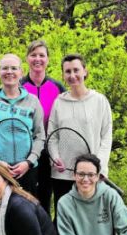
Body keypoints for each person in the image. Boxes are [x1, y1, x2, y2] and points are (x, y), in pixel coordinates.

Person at [48, 53, 112, 213]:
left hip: (89, 175)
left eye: (76, 70)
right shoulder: (58, 102)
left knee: (90, 219)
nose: (72, 75)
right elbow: (52, 136)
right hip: (63, 175)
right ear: (63, 75)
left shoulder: (99, 101)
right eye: (67, 72)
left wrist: (99, 167)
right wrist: (55, 158)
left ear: (85, 71)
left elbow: (106, 137)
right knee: (63, 219)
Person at [0, 54, 45, 194]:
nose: (9, 72)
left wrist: (29, 162)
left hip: (28, 169)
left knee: (28, 212)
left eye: (14, 68)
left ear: (21, 72)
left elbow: (40, 135)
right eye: (4, 68)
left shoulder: (33, 101)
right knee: (1, 211)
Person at [21, 40, 66, 216]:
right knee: (27, 197)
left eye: (42, 55)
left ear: (48, 59)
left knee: (46, 196)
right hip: (26, 152)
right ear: (27, 58)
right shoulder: (19, 87)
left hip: (50, 152)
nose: (37, 59)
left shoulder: (57, 87)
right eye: (33, 55)